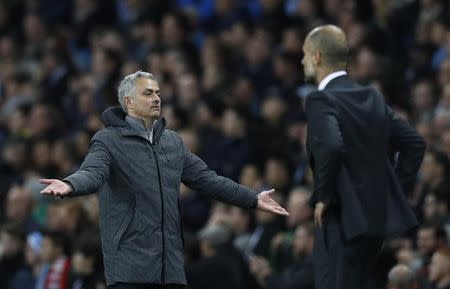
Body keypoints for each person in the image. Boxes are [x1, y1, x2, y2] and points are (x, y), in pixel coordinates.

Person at [39, 71, 288, 289]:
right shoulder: (108, 141)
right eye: (148, 93)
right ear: (129, 102)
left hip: (170, 270)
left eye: (157, 92)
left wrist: (252, 199)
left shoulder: (173, 142)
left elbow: (207, 179)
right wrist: (70, 184)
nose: (157, 98)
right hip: (129, 270)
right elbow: (92, 172)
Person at [302, 25, 426, 289]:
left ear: (316, 57)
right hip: (374, 223)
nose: (302, 61)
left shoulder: (320, 100)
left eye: (305, 54)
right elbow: (414, 143)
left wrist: (323, 196)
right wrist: (391, 193)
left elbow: (333, 146)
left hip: (340, 220)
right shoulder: (370, 95)